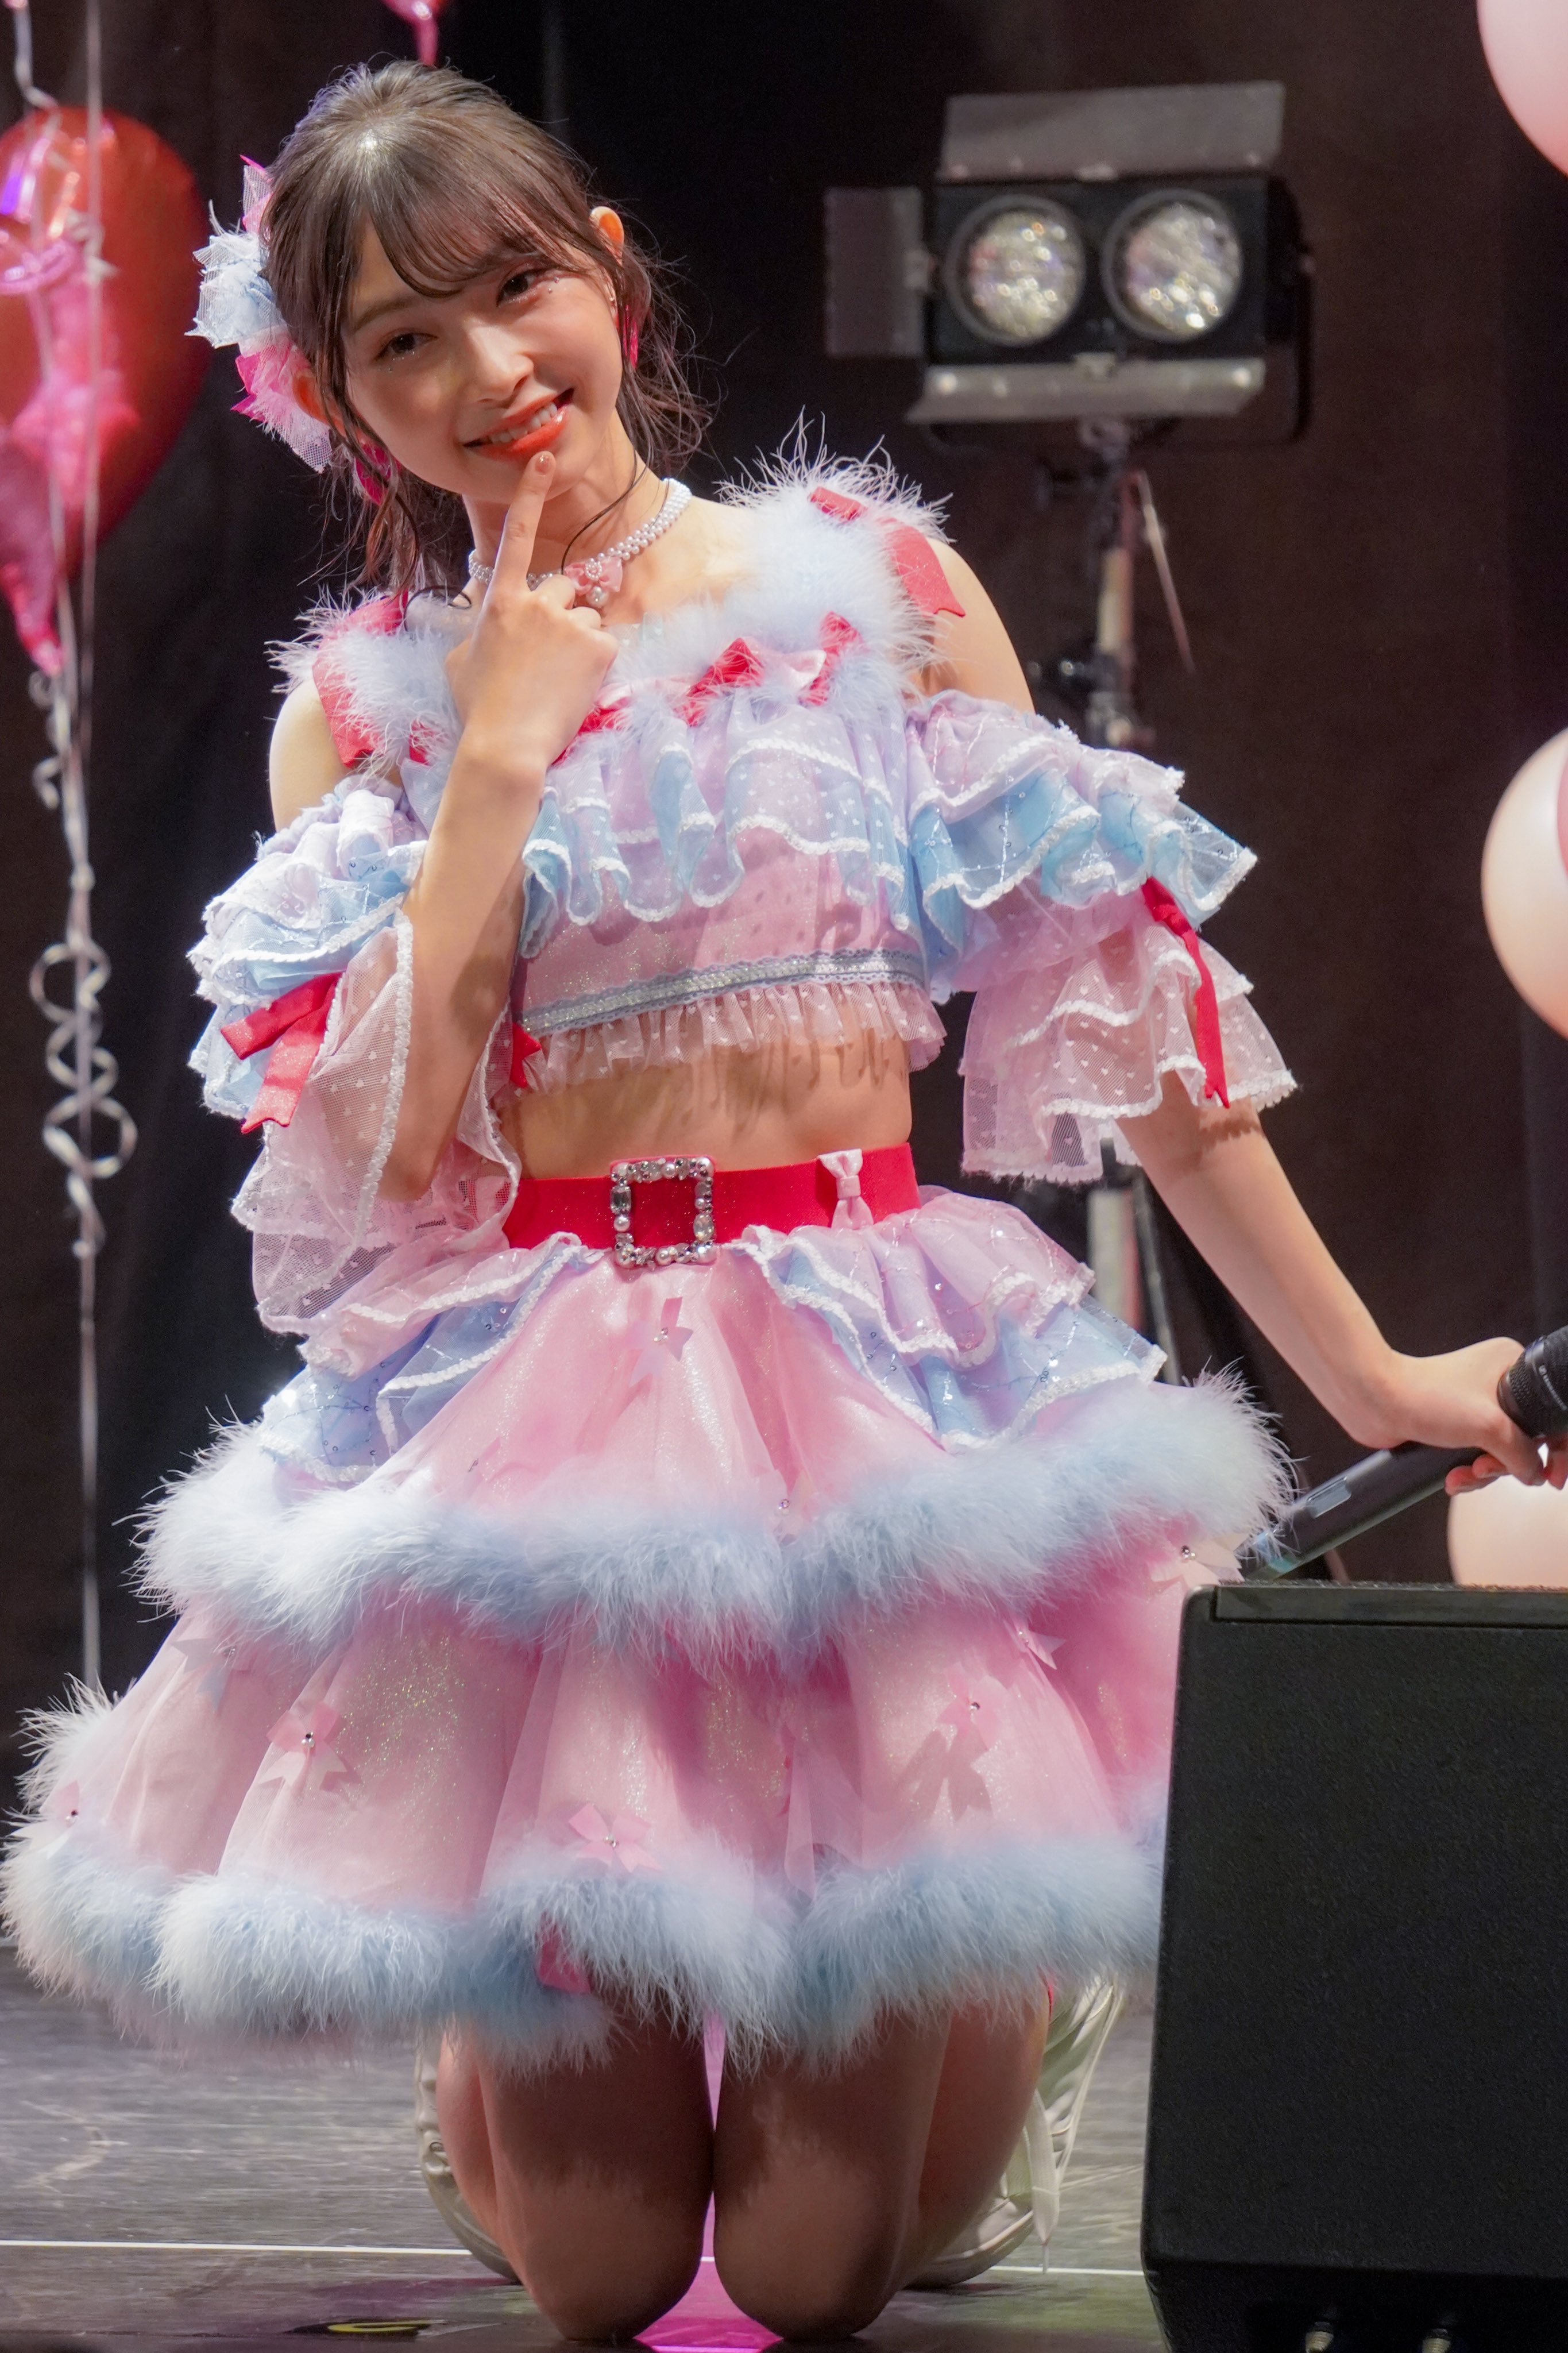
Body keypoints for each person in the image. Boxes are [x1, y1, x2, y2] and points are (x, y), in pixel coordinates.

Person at [4, 61, 1557, 2346]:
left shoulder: (870, 597)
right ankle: (516, 2037)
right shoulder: (361, 719)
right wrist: (496, 758)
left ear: (608, 275)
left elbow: (1129, 1021)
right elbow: (389, 1161)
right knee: (609, 2277)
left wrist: (1368, 1373)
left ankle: (988, 1990)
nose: (483, 370)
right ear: (335, 397)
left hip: (862, 1372)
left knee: (819, 2277)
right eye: (402, 341)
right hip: (546, 1405)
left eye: (512, 291)